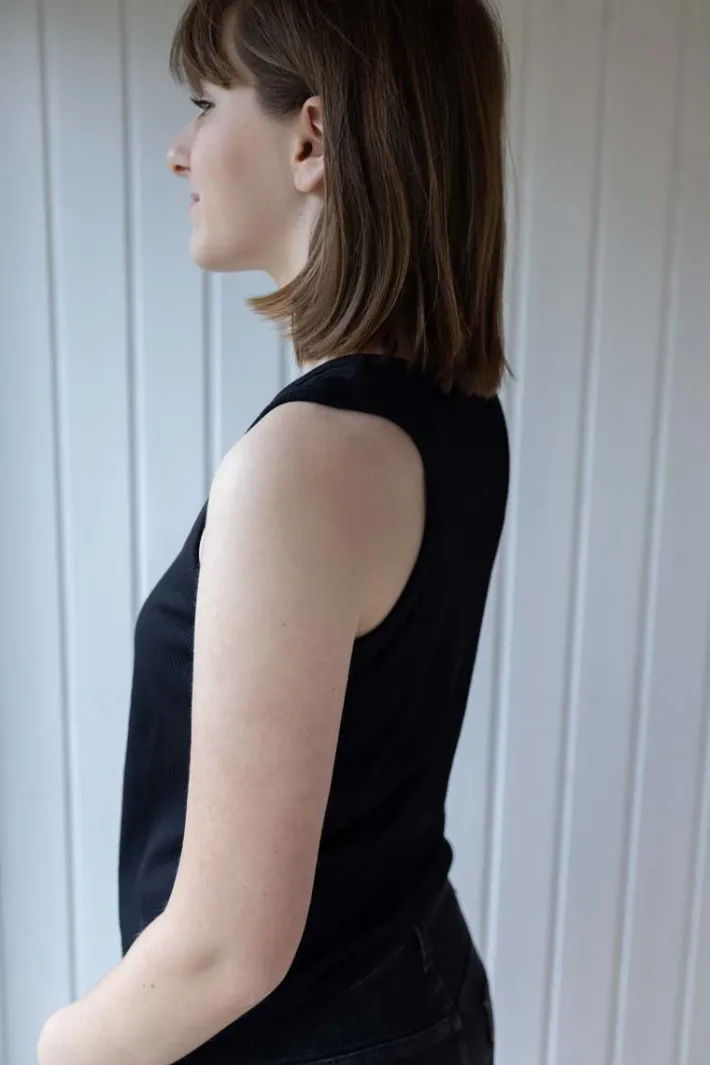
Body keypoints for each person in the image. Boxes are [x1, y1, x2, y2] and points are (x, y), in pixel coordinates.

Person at [42, 1, 510, 1064]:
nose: (180, 149)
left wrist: (60, 1045)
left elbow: (223, 954)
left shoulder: (303, 463)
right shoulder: (454, 404)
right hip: (413, 983)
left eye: (204, 104)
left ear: (311, 139)